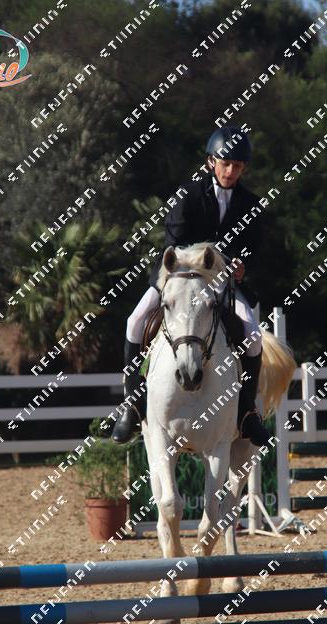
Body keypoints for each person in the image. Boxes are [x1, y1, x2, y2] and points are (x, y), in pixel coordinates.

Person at [111, 125, 270, 447]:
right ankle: (131, 406)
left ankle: (247, 412)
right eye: (225, 163)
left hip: (224, 283)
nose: (230, 171)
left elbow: (256, 248)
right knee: (135, 321)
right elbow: (174, 241)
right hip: (180, 278)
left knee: (252, 336)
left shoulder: (251, 203)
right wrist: (202, 263)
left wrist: (242, 267)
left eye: (237, 166)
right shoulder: (189, 195)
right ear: (212, 162)